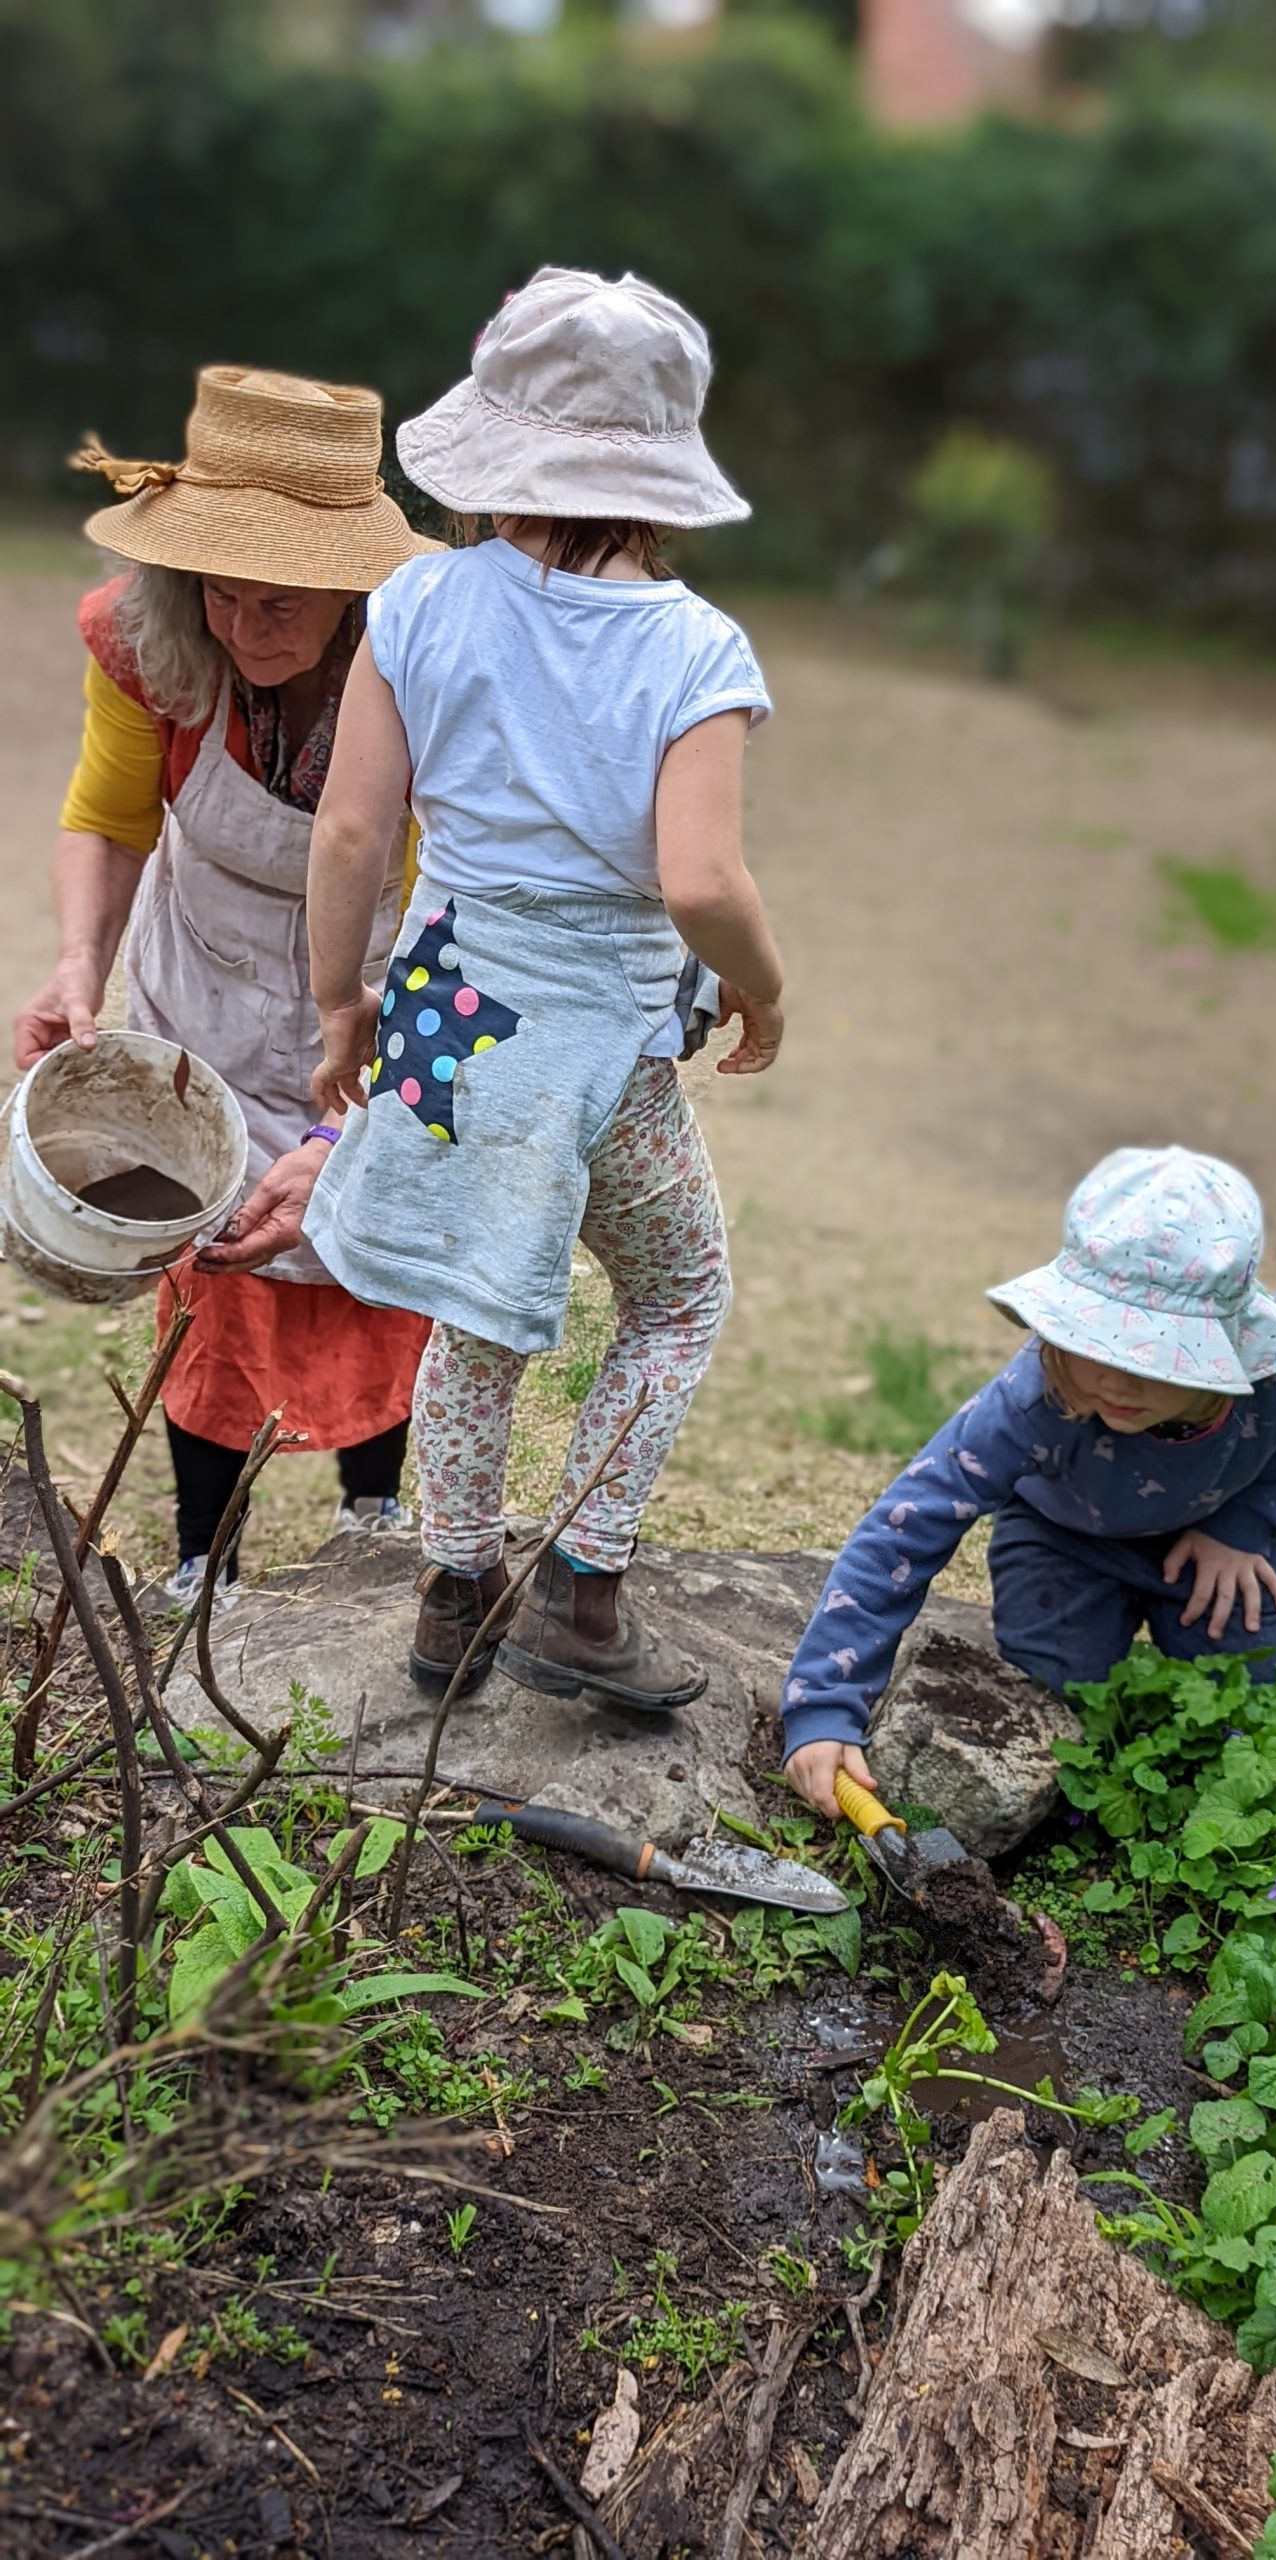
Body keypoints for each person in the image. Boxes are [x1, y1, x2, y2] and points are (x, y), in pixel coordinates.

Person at [301, 266, 782, 1710]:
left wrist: (343, 1007)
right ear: (661, 475)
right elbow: (700, 885)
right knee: (681, 1296)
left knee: (477, 1303)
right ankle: (582, 1589)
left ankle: (454, 1599)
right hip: (600, 1054)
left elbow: (351, 831)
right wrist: (769, 992)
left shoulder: (417, 601)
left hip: (447, 1027)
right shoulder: (694, 648)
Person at [14, 367, 437, 1600]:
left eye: (283, 599)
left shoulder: (428, 673)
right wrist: (80, 959)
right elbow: (104, 816)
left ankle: (377, 1518)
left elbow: (452, 900)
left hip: (379, 980)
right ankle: (210, 1561)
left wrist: (355, 1100)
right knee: (216, 1276)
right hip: (200, 977)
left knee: (375, 1250)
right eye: (225, 591)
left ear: (355, 585)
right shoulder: (146, 637)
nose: (249, 624)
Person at [782, 1146, 1276, 1819]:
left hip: (1211, 1539)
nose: (1113, 1379)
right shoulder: (1032, 1403)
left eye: (1151, 1356)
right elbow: (906, 1526)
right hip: (1063, 1541)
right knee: (1057, 1727)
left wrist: (1241, 1526)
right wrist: (824, 1707)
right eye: (1095, 1344)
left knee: (1263, 1725)